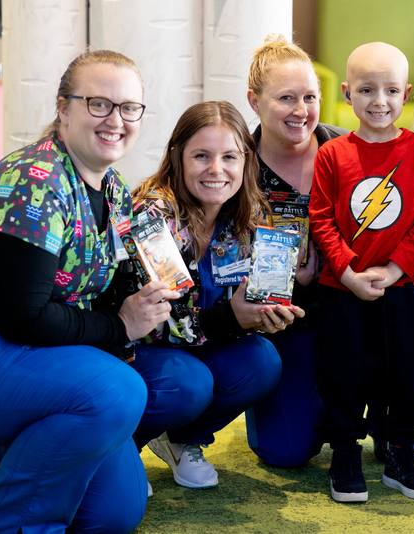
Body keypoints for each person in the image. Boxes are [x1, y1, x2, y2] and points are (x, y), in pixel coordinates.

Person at [0, 49, 163, 532]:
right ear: (63, 108)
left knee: (113, 512)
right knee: (116, 391)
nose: (116, 120)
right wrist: (118, 327)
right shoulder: (31, 184)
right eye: (98, 104)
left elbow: (104, 281)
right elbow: (20, 317)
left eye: (129, 107)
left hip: (30, 358)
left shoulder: (113, 187)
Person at [112, 100, 303, 491]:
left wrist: (267, 309)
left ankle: (183, 439)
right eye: (202, 156)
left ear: (246, 162)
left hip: (199, 345)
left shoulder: (246, 215)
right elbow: (163, 326)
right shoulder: (153, 217)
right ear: (177, 157)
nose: (217, 170)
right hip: (137, 352)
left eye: (229, 157)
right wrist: (234, 318)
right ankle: (120, 447)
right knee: (189, 381)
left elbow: (246, 298)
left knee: (261, 360)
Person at [309, 41, 414, 503]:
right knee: (344, 370)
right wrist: (347, 272)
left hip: (402, 289)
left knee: (407, 369)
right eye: (367, 89)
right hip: (341, 290)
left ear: (406, 93)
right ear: (348, 93)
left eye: (391, 90)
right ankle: (345, 451)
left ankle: (402, 449)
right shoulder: (332, 155)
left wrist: (393, 269)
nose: (380, 101)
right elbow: (322, 218)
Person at [243, 35, 344, 468]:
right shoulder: (234, 167)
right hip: (280, 325)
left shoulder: (348, 152)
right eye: (286, 98)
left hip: (348, 312)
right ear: (254, 100)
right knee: (284, 451)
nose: (301, 110)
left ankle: (372, 415)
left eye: (309, 97)